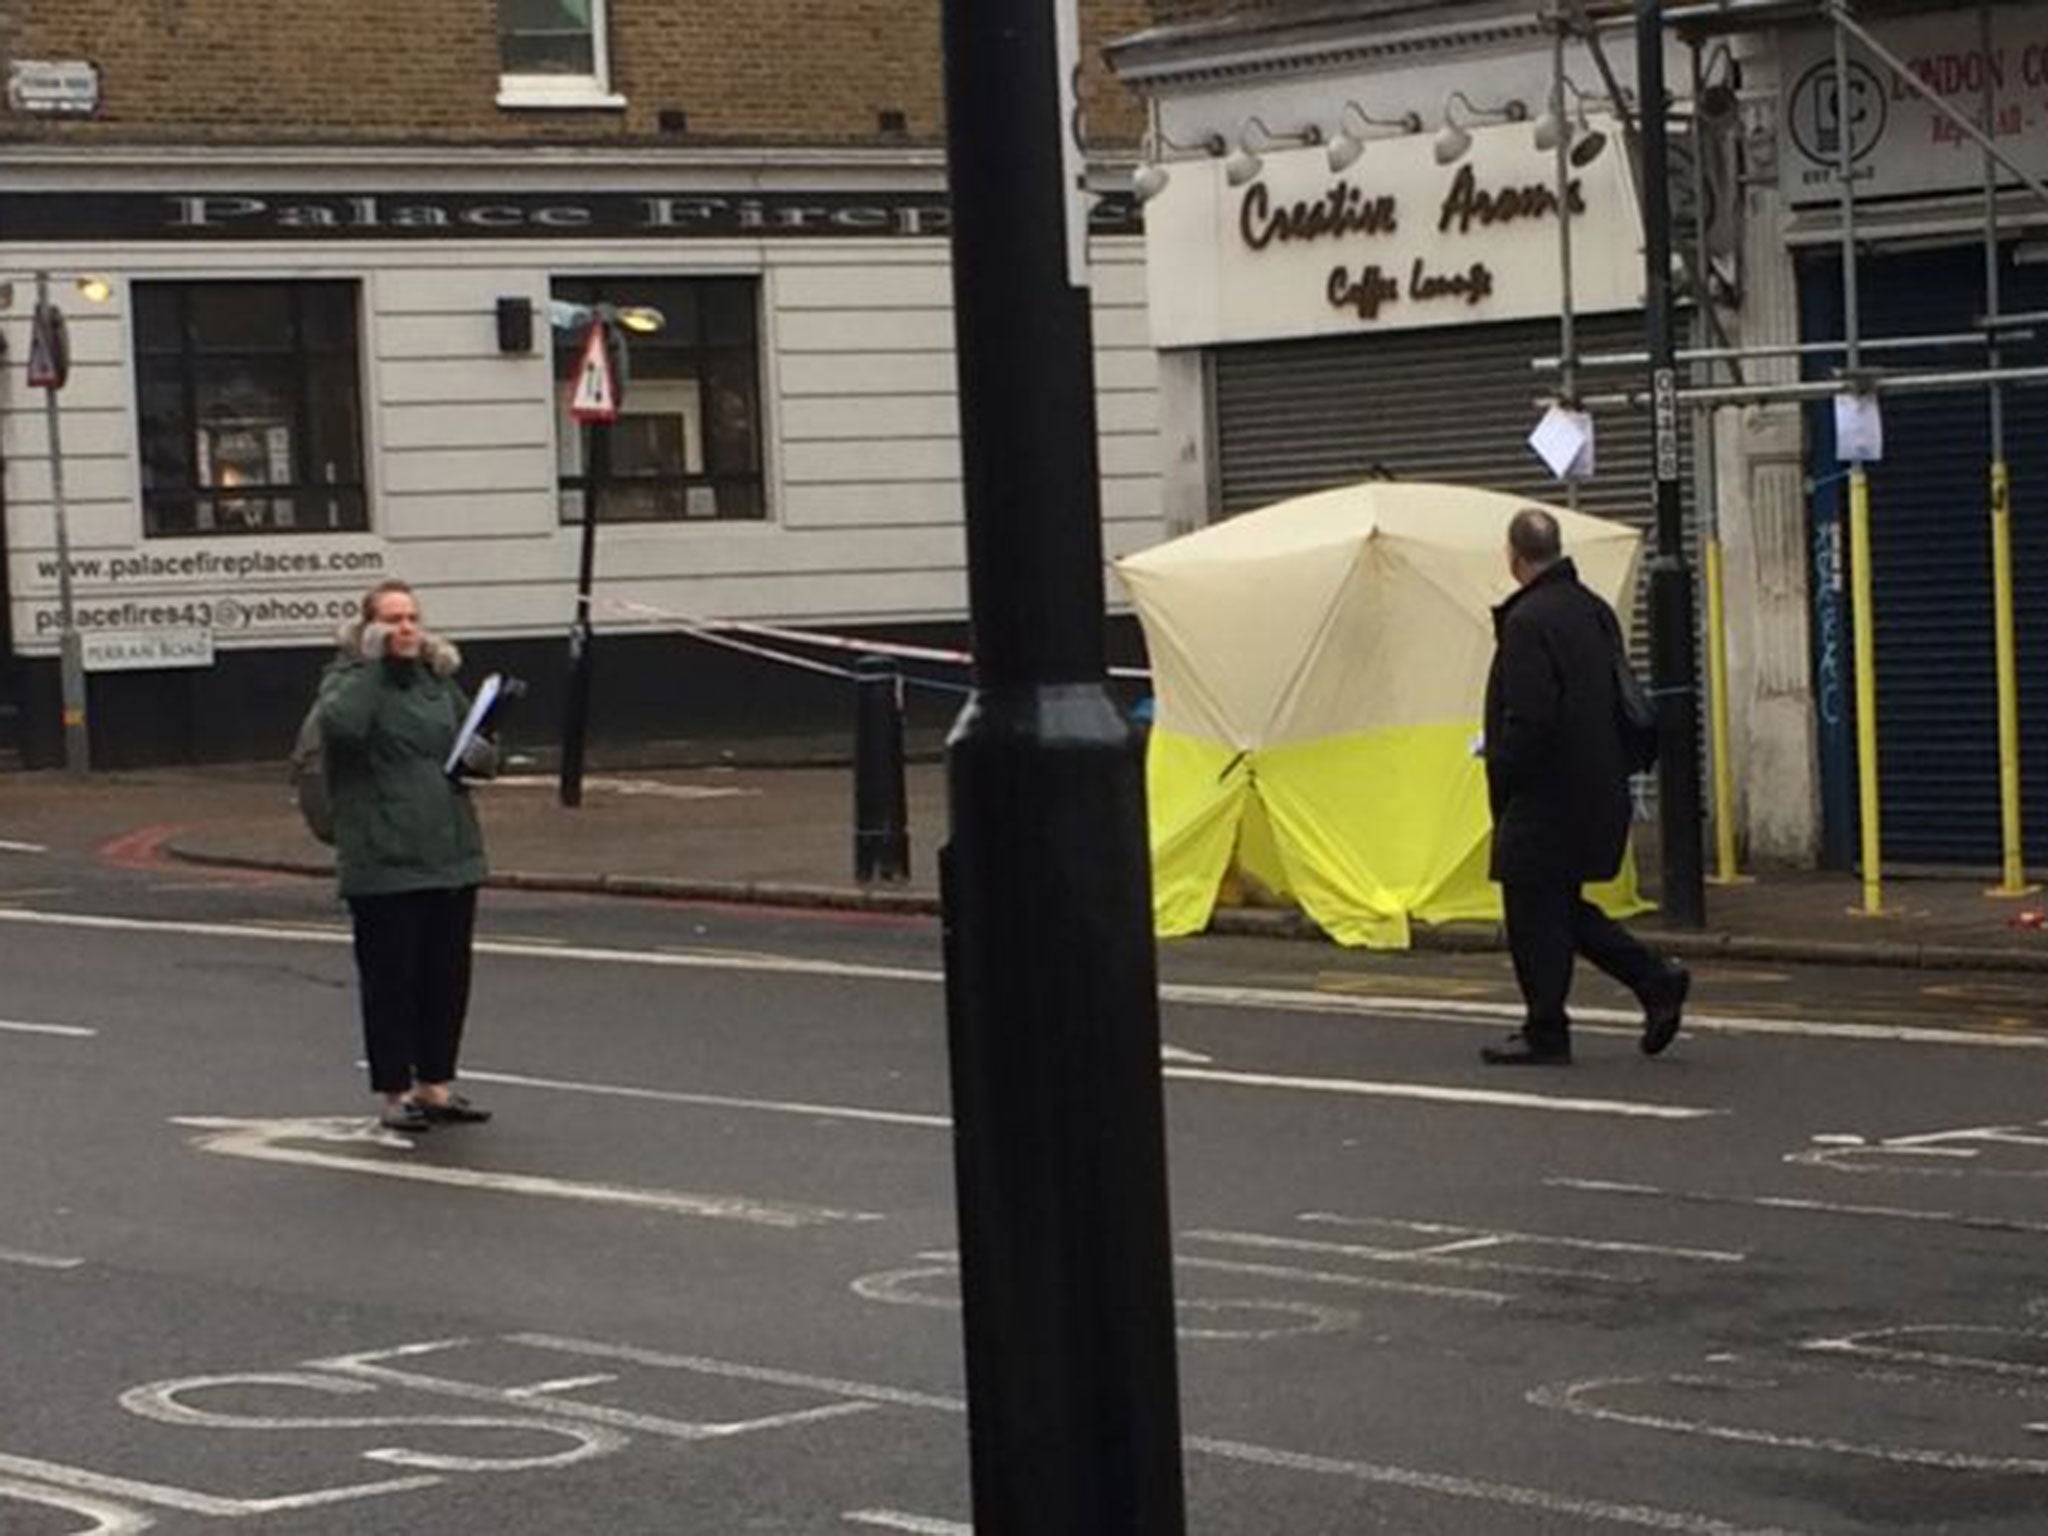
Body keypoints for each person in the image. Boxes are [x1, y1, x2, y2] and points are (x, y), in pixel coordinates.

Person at [1479, 507, 1689, 1066]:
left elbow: (1531, 717)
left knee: (1531, 908)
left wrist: (1500, 766)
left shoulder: (1528, 621)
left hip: (1546, 792)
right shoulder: (1592, 609)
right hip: (1597, 786)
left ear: (1513, 555)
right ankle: (1652, 982)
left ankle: (1549, 1028)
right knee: (1557, 907)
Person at [317, 579, 494, 1131]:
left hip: (450, 851)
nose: (406, 628)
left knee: (446, 976)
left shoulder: (436, 681)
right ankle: (395, 1093)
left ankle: (435, 1085)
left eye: (412, 617)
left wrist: (486, 750)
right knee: (392, 981)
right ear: (369, 628)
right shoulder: (346, 681)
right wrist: (371, 667)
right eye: (392, 619)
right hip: (384, 859)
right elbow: (342, 730)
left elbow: (473, 738)